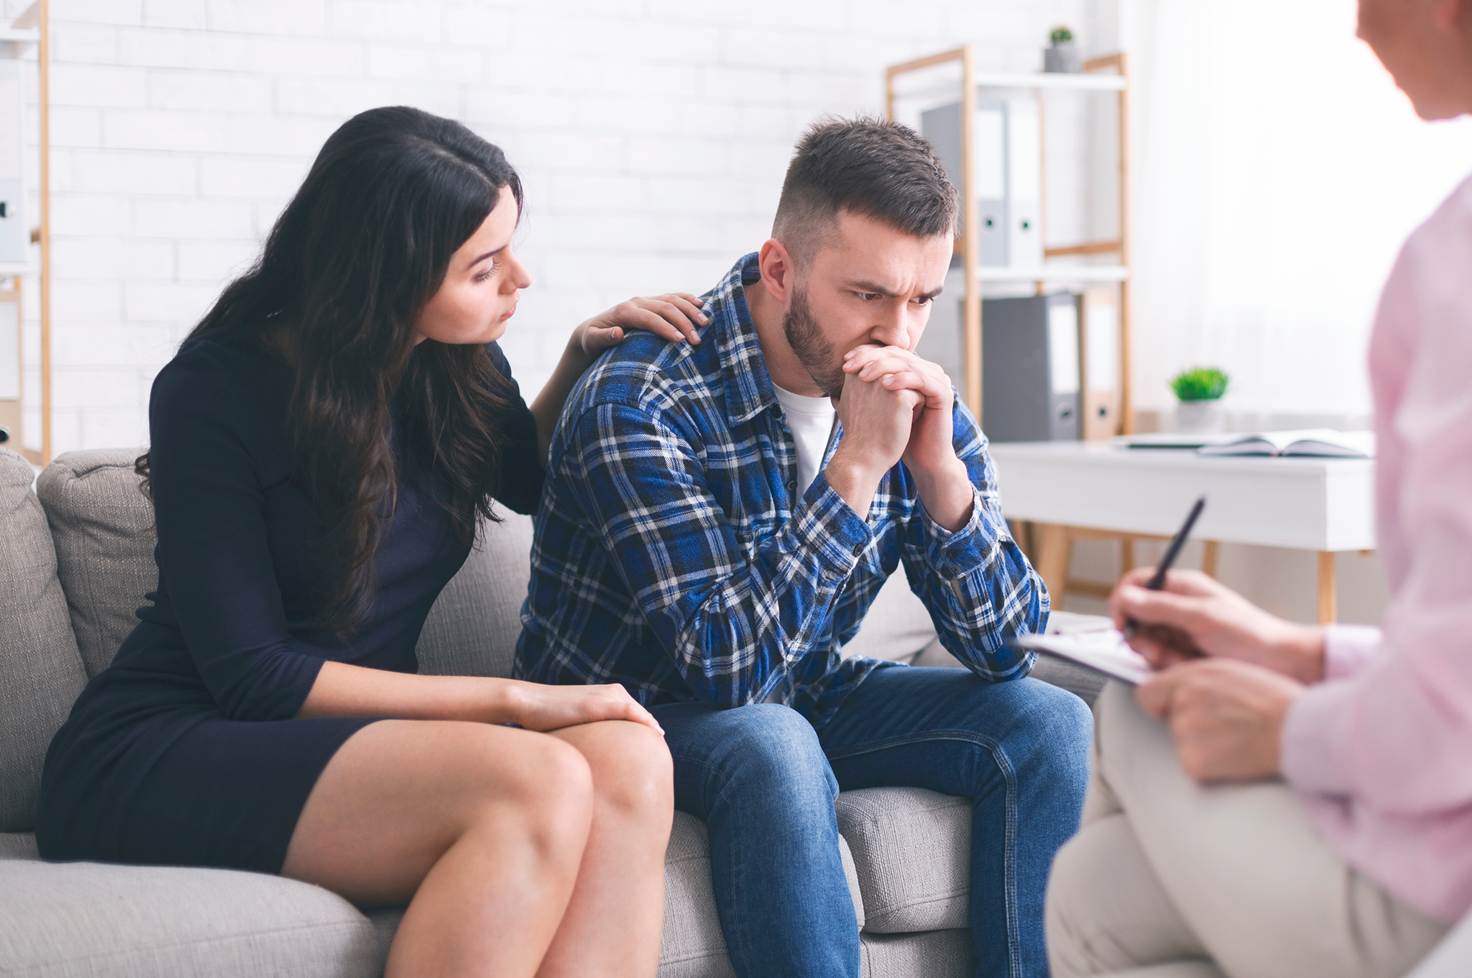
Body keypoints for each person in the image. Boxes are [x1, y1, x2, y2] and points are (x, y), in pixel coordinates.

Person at [38, 106, 705, 978]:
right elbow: (255, 676)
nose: (521, 279)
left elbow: (528, 481)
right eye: (484, 266)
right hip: (166, 744)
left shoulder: (452, 360)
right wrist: (517, 701)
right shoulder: (214, 389)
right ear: (386, 279)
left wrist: (581, 362)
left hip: (342, 735)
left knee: (629, 759)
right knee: (536, 778)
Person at [1045, 2, 1472, 976]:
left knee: (1127, 708)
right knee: (1091, 894)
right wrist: (1299, 653)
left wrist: (1288, 728)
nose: (1359, 34)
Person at [517, 116, 1092, 978]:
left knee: (1051, 721)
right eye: (868, 294)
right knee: (772, 740)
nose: (899, 333)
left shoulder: (907, 386)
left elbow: (1007, 647)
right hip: (625, 713)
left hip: (800, 685)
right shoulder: (641, 396)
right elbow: (730, 674)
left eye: (923, 299)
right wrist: (859, 465)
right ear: (779, 268)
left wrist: (941, 482)